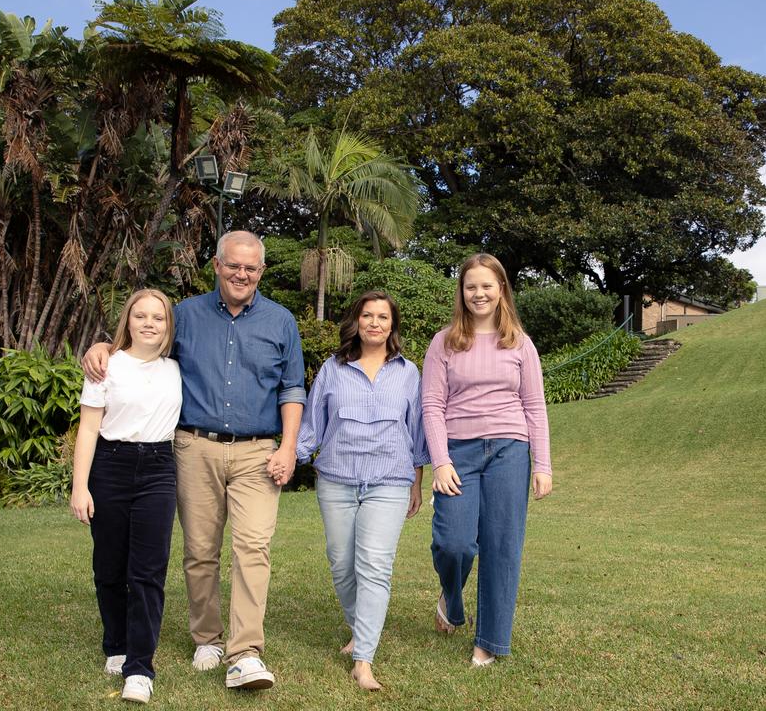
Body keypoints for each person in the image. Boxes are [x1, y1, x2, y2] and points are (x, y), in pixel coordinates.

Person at [82, 231, 305, 690]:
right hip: (192, 447)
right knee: (200, 550)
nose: (242, 274)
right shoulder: (184, 315)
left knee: (253, 548)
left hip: (258, 451)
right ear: (217, 266)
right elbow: (144, 342)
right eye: (234, 265)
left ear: (261, 272)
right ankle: (207, 637)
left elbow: (292, 389)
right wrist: (103, 346)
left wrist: (288, 447)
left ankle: (245, 652)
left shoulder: (281, 321)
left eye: (252, 268)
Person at [422, 252, 553, 667]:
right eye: (470, 286)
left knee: (501, 546)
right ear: (461, 292)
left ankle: (489, 642)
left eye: (486, 286)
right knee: (454, 543)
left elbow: (535, 406)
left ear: (501, 290)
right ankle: (452, 597)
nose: (479, 293)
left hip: (509, 450)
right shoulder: (444, 342)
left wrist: (543, 465)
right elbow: (431, 406)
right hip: (458, 452)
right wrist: (440, 461)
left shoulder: (520, 343)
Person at [296, 291, 429, 691]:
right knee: (341, 564)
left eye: (383, 317)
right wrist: (288, 460)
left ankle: (364, 658)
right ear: (356, 322)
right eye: (367, 316)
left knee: (374, 564)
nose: (374, 323)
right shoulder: (333, 370)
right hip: (337, 478)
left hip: (389, 480)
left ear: (393, 325)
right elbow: (310, 425)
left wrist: (417, 483)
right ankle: (360, 627)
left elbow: (418, 430)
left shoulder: (409, 372)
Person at [70, 289, 181, 705]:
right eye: (141, 316)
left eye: (159, 317)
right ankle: (116, 645)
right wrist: (80, 486)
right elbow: (88, 429)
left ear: (169, 325)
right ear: (127, 321)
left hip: (157, 467)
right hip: (110, 467)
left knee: (148, 571)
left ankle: (140, 667)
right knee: (110, 567)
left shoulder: (177, 367)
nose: (150, 323)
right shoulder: (105, 366)